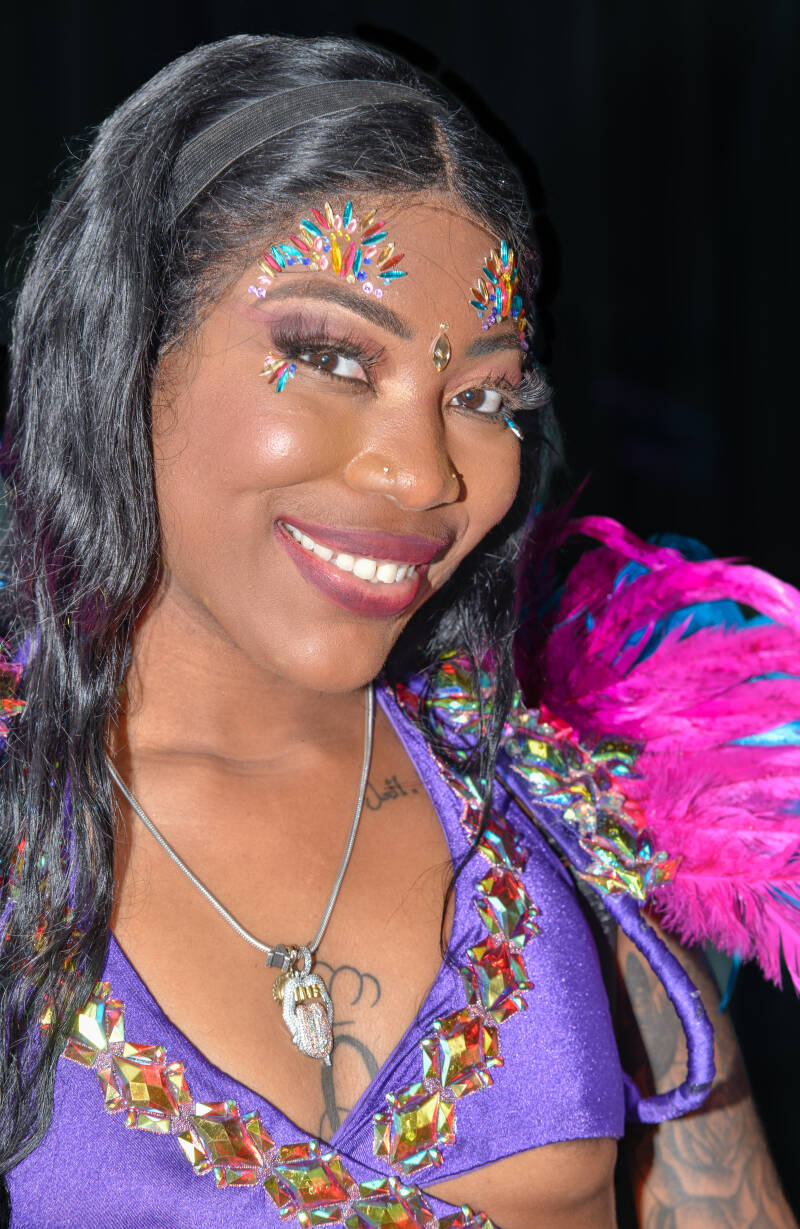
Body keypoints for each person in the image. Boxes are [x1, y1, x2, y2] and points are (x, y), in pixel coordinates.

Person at [0, 33, 797, 1229]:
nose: (424, 474)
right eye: (328, 356)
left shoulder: (561, 811)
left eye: (480, 396)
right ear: (123, 351)